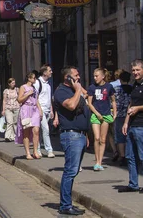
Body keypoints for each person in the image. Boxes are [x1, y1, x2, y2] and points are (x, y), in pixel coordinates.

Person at [54, 66, 89, 215]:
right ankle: (65, 205)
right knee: (70, 171)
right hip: (71, 135)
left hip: (79, 135)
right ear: (68, 78)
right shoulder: (61, 91)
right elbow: (71, 105)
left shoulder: (74, 91)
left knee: (73, 172)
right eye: (76, 75)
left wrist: (85, 134)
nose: (79, 78)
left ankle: (67, 203)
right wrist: (78, 90)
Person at [119, 59, 143, 193]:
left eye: (138, 70)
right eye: (133, 70)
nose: (135, 73)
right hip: (132, 126)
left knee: (142, 156)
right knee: (130, 156)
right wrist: (126, 122)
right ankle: (133, 184)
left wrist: (138, 109)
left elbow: (135, 107)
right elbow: (130, 104)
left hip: (141, 126)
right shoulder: (135, 85)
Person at [86, 67, 117, 171]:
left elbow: (113, 100)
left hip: (106, 114)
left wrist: (115, 113)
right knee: (97, 138)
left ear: (103, 76)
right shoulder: (91, 88)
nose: (95, 78)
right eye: (94, 76)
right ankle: (96, 160)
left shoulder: (109, 87)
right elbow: (89, 103)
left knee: (103, 139)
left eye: (97, 76)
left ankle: (100, 162)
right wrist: (96, 113)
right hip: (96, 115)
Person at [15, 72, 43, 160]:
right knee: (26, 131)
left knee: (36, 130)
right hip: (26, 109)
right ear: (29, 78)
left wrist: (40, 110)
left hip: (34, 109)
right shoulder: (23, 87)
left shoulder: (35, 88)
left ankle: (35, 151)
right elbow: (19, 100)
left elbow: (36, 100)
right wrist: (27, 94)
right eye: (34, 78)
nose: (35, 80)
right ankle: (28, 153)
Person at [35, 64, 56, 158]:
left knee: (40, 131)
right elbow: (35, 98)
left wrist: (51, 110)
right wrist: (39, 110)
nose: (51, 72)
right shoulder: (37, 83)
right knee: (46, 129)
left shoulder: (48, 84)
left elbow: (49, 98)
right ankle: (49, 150)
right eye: (49, 70)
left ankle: (37, 149)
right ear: (44, 72)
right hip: (41, 109)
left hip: (47, 110)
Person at [113, 71, 132, 165]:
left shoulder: (116, 89)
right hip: (131, 115)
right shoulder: (133, 88)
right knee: (129, 135)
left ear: (120, 79)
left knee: (120, 137)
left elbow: (112, 102)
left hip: (119, 115)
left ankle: (122, 156)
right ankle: (130, 155)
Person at [2, 78, 20, 142]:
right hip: (8, 108)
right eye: (12, 83)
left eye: (14, 83)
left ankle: (14, 136)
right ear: (9, 84)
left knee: (15, 123)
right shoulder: (6, 91)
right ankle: (7, 136)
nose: (14, 84)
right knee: (9, 122)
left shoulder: (17, 89)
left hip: (16, 107)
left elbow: (20, 98)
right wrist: (3, 110)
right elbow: (4, 100)